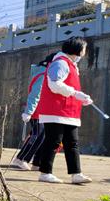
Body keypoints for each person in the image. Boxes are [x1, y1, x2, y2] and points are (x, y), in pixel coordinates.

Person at [35, 36, 93, 184]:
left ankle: (76, 173)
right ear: (78, 49)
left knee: (72, 143)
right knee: (53, 141)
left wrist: (81, 98)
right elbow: (54, 84)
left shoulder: (71, 64)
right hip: (56, 110)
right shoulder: (61, 63)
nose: (85, 52)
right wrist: (76, 93)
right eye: (84, 48)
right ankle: (45, 172)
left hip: (68, 111)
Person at [10, 53, 56, 171]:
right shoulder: (43, 75)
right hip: (37, 111)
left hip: (43, 111)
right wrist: (28, 112)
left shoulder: (45, 74)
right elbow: (35, 95)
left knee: (42, 136)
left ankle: (36, 162)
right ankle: (21, 159)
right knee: (37, 136)